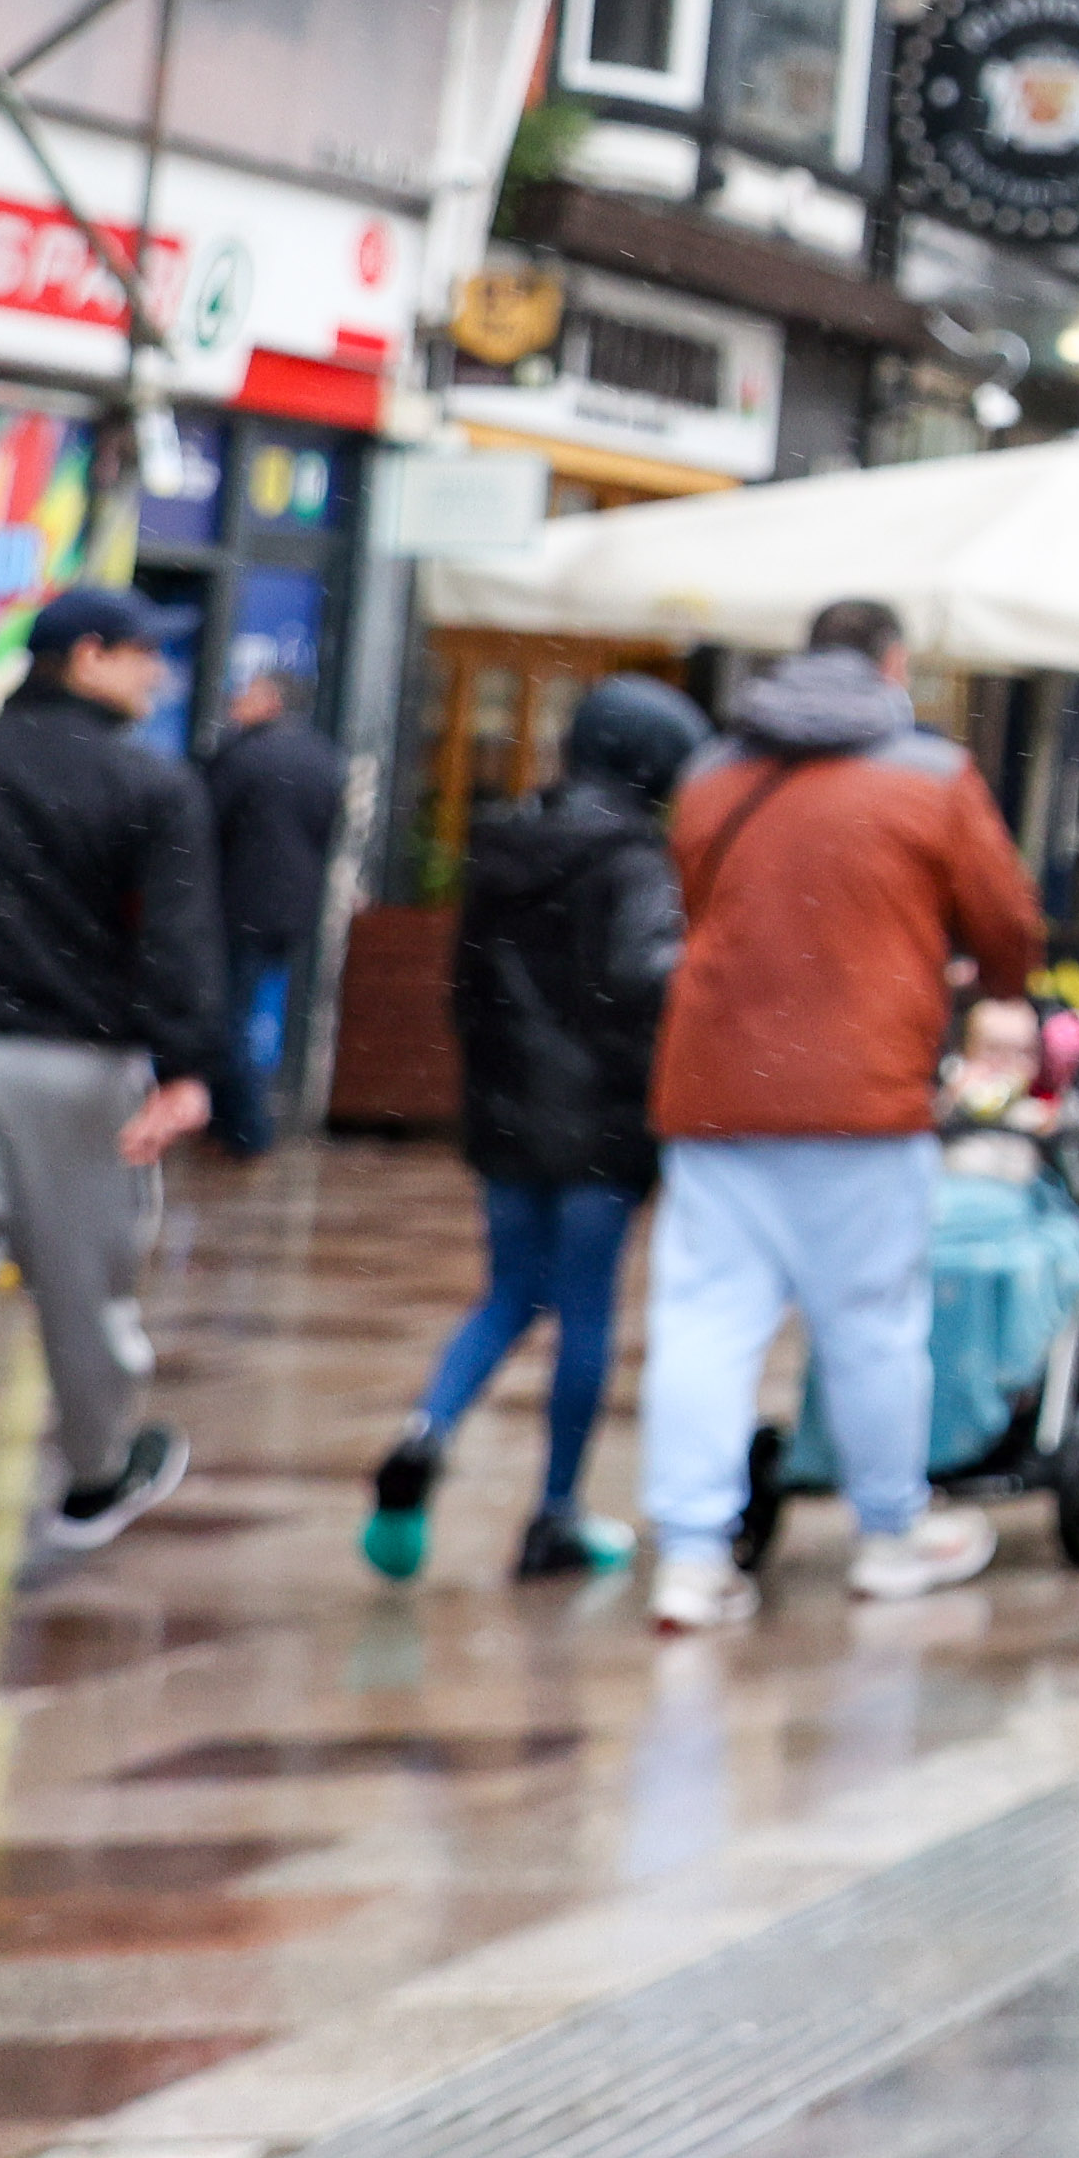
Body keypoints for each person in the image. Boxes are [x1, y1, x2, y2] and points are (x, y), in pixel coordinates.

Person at [639, 597, 1044, 1631]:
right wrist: (977, 968)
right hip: (865, 1094)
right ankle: (886, 1535)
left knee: (704, 1322)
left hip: (717, 1087)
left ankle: (691, 1553)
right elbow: (1007, 922)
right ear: (892, 664)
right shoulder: (932, 776)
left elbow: (698, 899)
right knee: (871, 1326)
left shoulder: (710, 771)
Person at [0, 586, 215, 1596]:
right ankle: (94, 1474)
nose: (156, 675)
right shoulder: (148, 786)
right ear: (87, 654)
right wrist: (185, 1066)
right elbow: (176, 940)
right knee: (87, 1293)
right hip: (79, 1067)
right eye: (142, 655)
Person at [370, 671, 694, 1584]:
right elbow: (645, 978)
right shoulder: (635, 859)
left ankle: (426, 1428)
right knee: (586, 1310)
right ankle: (554, 1511)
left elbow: (467, 986)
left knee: (508, 1291)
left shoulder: (504, 841)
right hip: (599, 1121)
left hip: (507, 1110)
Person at [191, 647, 341, 1159]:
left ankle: (244, 1129)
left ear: (271, 701)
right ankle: (243, 1120)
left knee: (230, 1018)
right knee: (257, 1017)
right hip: (292, 910)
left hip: (237, 906)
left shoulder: (243, 756)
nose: (235, 701)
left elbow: (205, 826)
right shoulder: (323, 759)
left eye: (246, 692)